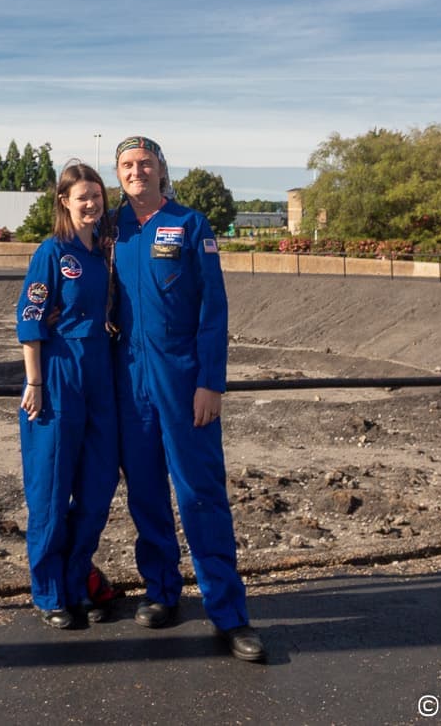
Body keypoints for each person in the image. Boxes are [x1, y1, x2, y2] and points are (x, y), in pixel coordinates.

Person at [110, 135, 264, 662]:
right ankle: (162, 591)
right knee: (146, 492)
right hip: (130, 381)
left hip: (182, 378)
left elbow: (213, 309)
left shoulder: (190, 224)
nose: (136, 172)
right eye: (127, 165)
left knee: (200, 491)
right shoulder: (113, 228)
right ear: (119, 173)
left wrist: (210, 382)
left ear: (160, 170)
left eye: (144, 164)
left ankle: (228, 611)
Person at [15, 161, 120, 629]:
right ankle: (50, 592)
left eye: (97, 195)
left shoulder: (105, 252)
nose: (92, 203)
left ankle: (79, 580)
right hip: (58, 376)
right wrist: (34, 381)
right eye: (83, 196)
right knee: (51, 493)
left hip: (102, 373)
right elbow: (30, 318)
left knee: (98, 488)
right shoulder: (51, 252)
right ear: (64, 201)